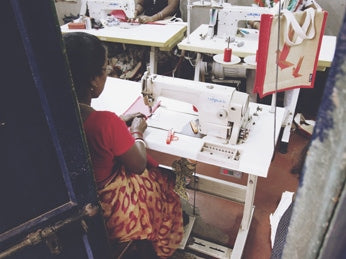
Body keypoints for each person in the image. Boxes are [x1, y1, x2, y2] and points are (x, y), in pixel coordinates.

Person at [63, 32, 184, 258]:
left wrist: (118, 124)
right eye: (105, 70)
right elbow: (138, 164)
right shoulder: (104, 122)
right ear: (93, 79)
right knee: (167, 183)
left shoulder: (58, 112)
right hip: (110, 209)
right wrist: (136, 130)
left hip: (79, 197)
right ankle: (157, 243)